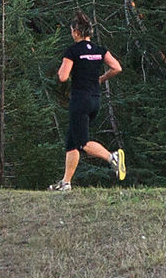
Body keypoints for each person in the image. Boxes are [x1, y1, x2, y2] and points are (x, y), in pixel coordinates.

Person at [50, 15, 126, 190]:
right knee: (72, 141)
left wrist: (64, 66)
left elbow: (62, 77)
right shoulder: (100, 50)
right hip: (95, 100)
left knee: (82, 143)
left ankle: (112, 157)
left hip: (79, 100)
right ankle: (66, 183)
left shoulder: (73, 51)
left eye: (71, 31)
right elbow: (117, 67)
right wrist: (101, 78)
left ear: (76, 32)